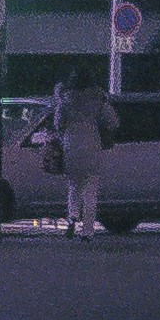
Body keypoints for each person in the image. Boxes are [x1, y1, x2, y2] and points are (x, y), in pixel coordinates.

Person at [51, 83, 111, 236]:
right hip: (92, 146)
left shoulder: (65, 101)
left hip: (71, 147)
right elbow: (113, 121)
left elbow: (57, 124)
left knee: (74, 186)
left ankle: (72, 218)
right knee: (90, 189)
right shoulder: (98, 100)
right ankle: (88, 231)